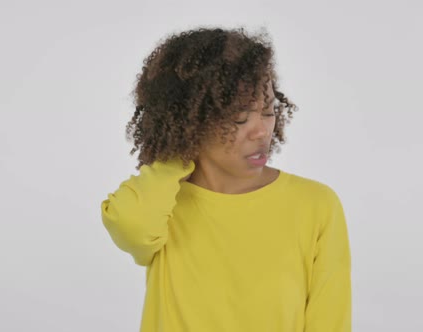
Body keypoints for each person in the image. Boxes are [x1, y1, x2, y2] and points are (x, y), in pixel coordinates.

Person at [100, 26, 352, 332]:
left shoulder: (315, 204)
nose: (262, 131)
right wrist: (177, 152)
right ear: (190, 122)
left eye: (269, 111)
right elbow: (131, 227)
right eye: (239, 118)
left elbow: (330, 321)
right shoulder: (163, 207)